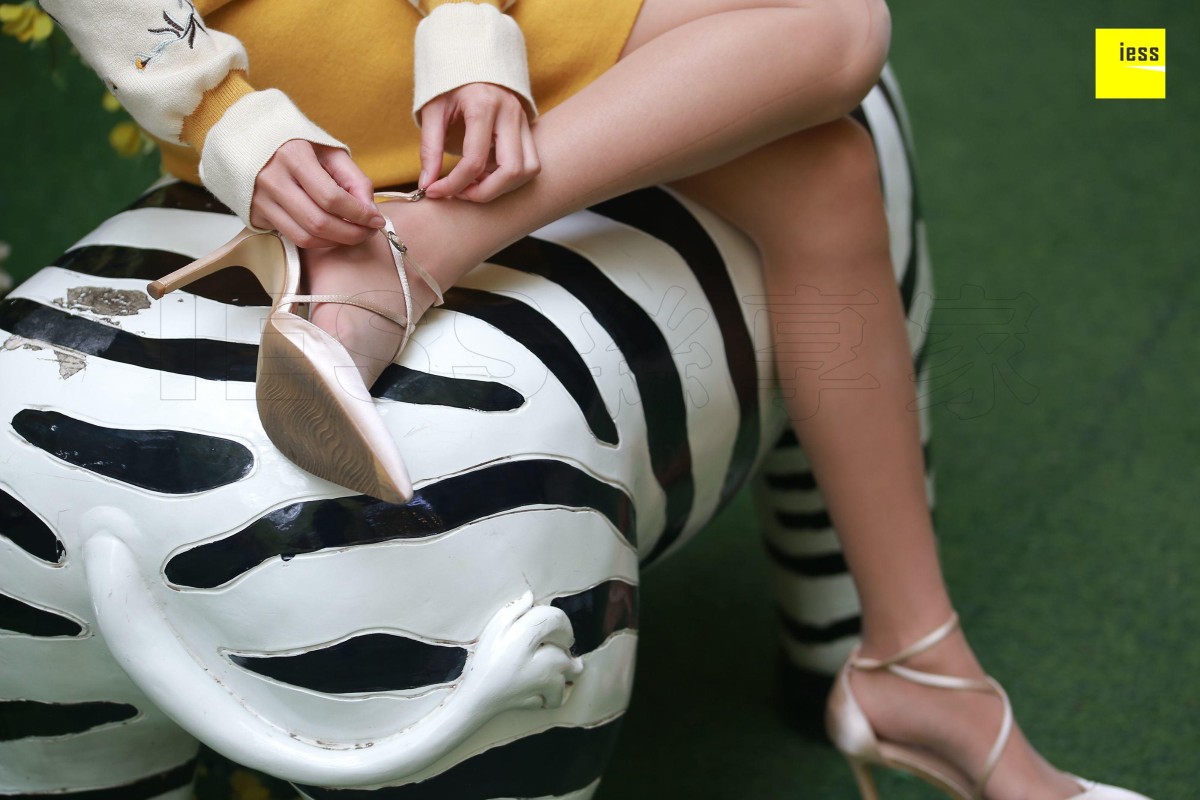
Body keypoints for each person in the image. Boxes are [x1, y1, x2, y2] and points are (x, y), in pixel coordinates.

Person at [40, 1, 1149, 798]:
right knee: (838, 27)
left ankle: (917, 663)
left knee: (828, 175)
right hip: (287, 57)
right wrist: (233, 122)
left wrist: (467, 28)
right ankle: (420, 247)